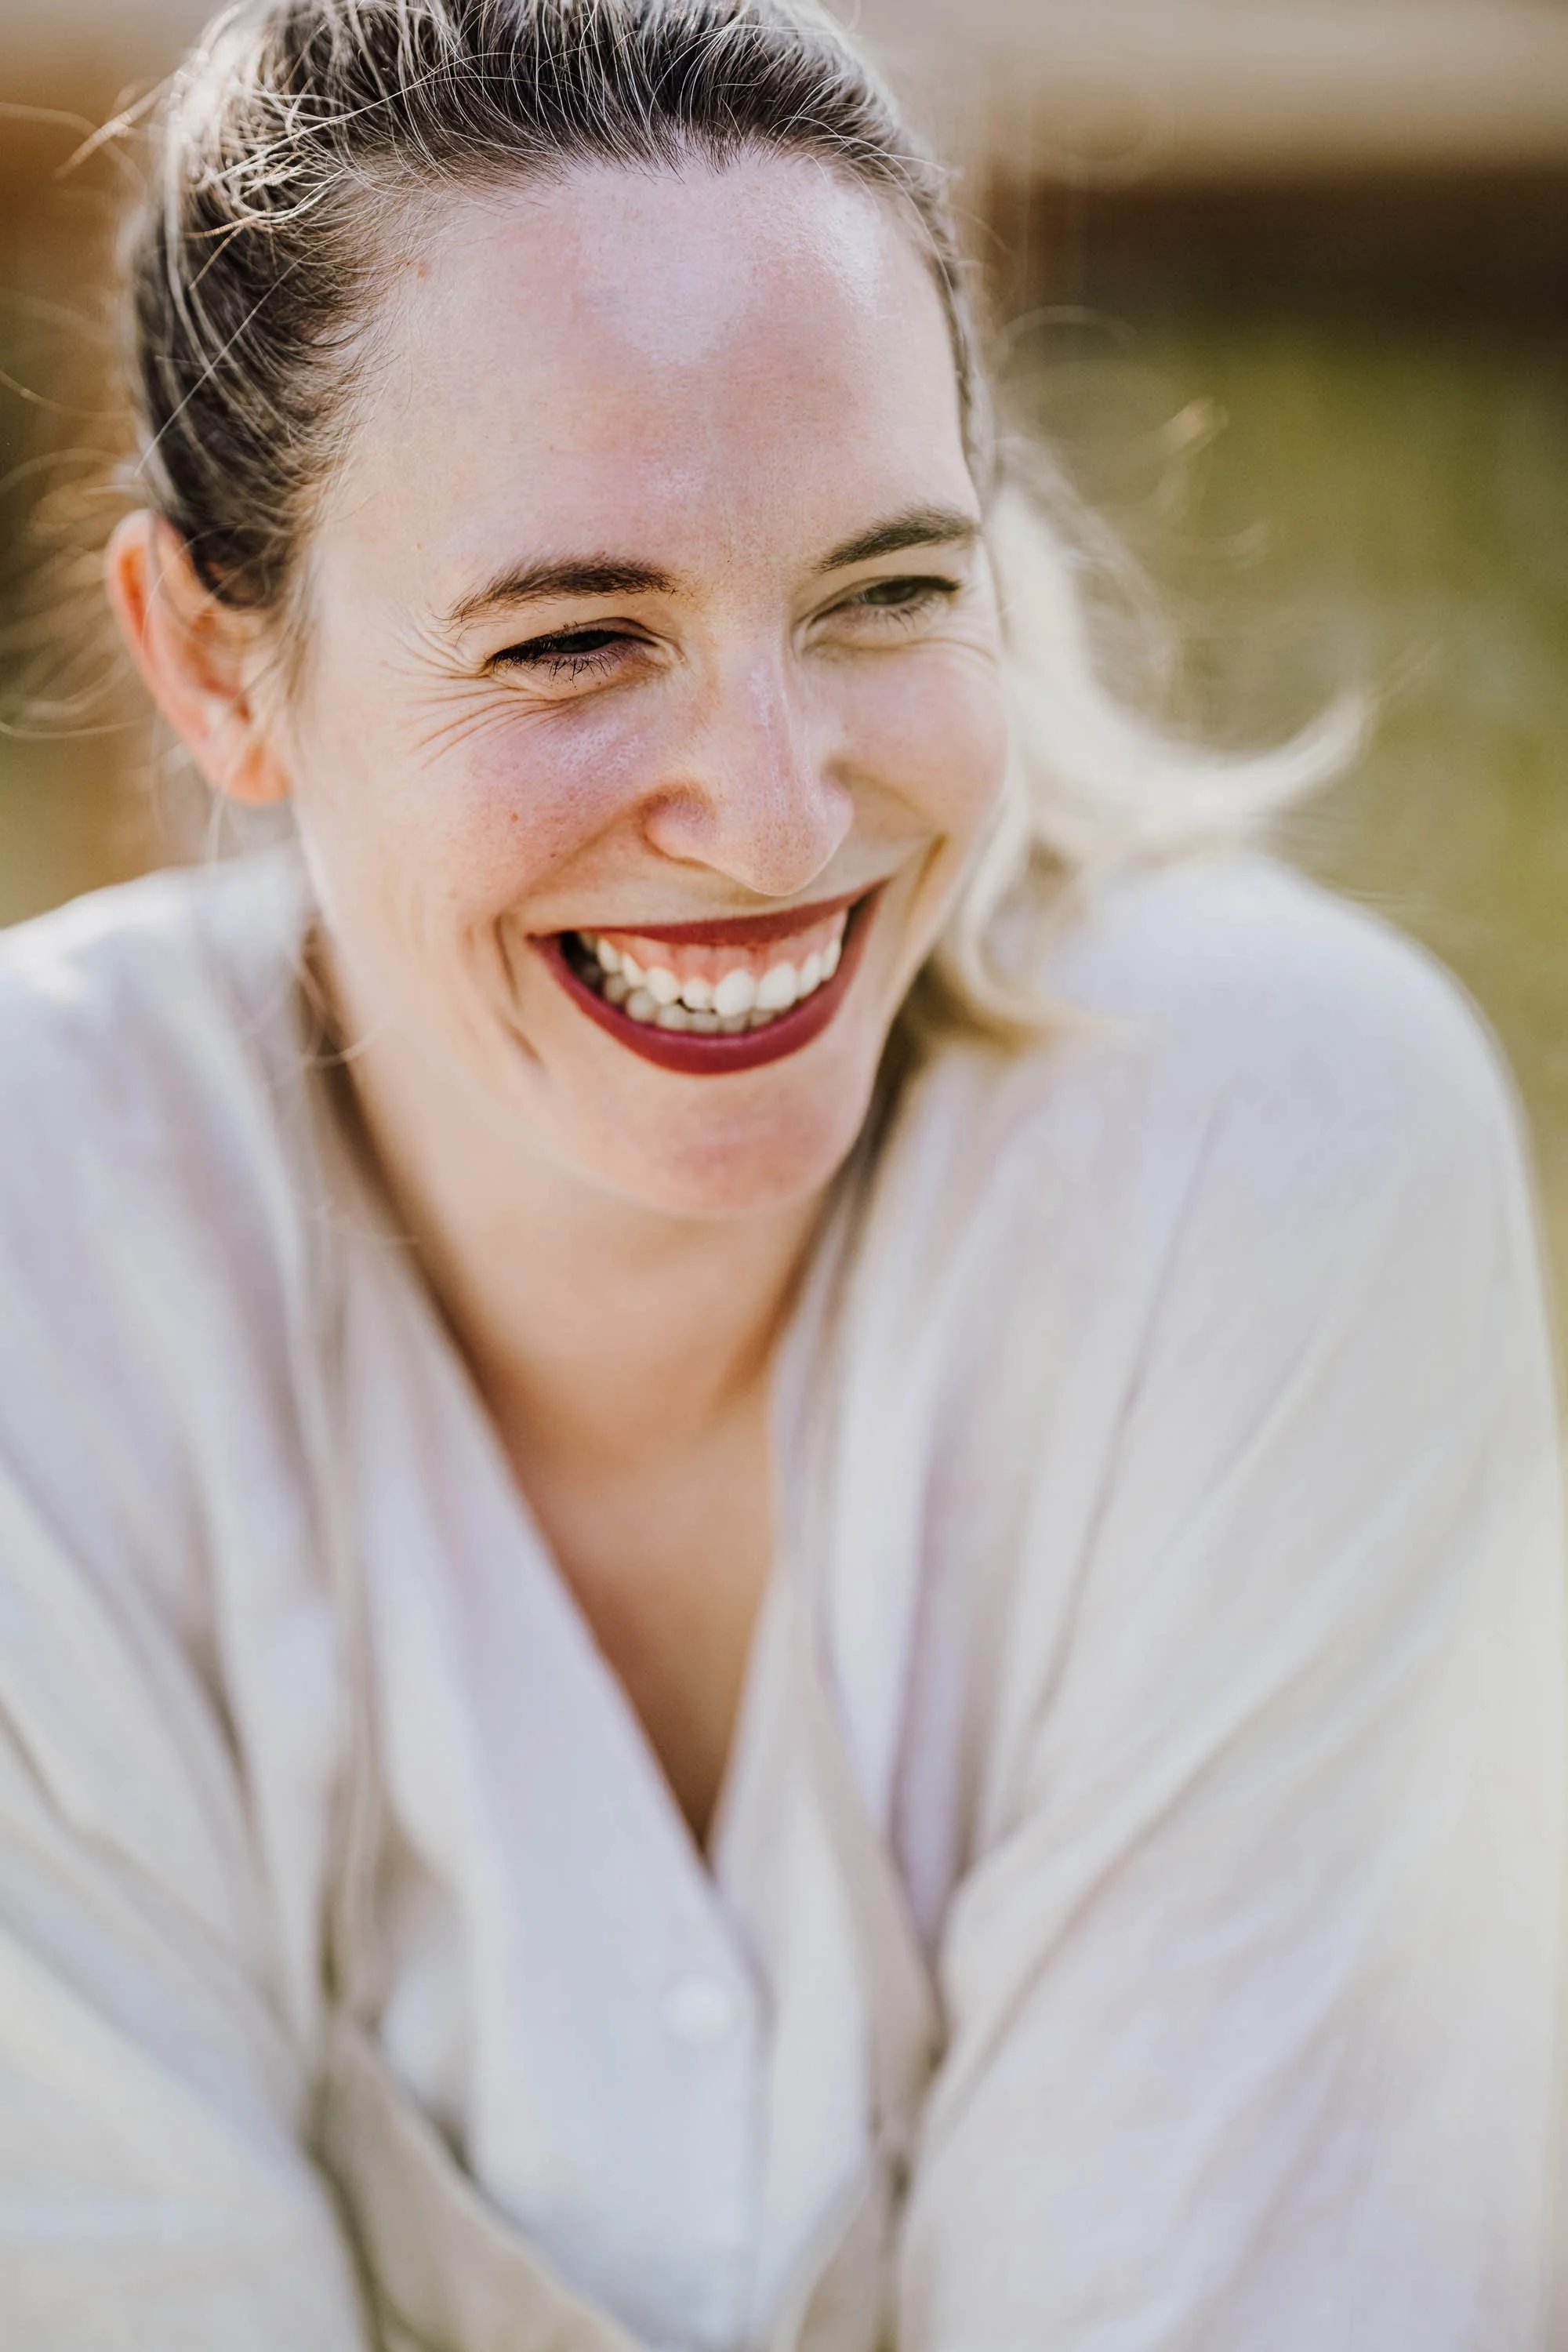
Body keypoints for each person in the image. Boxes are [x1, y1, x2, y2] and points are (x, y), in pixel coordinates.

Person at [0, 2, 1562, 2345]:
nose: (782, 806)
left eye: (883, 594)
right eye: (573, 637)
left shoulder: (1276, 1153)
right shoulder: (45, 1245)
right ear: (219, 664)